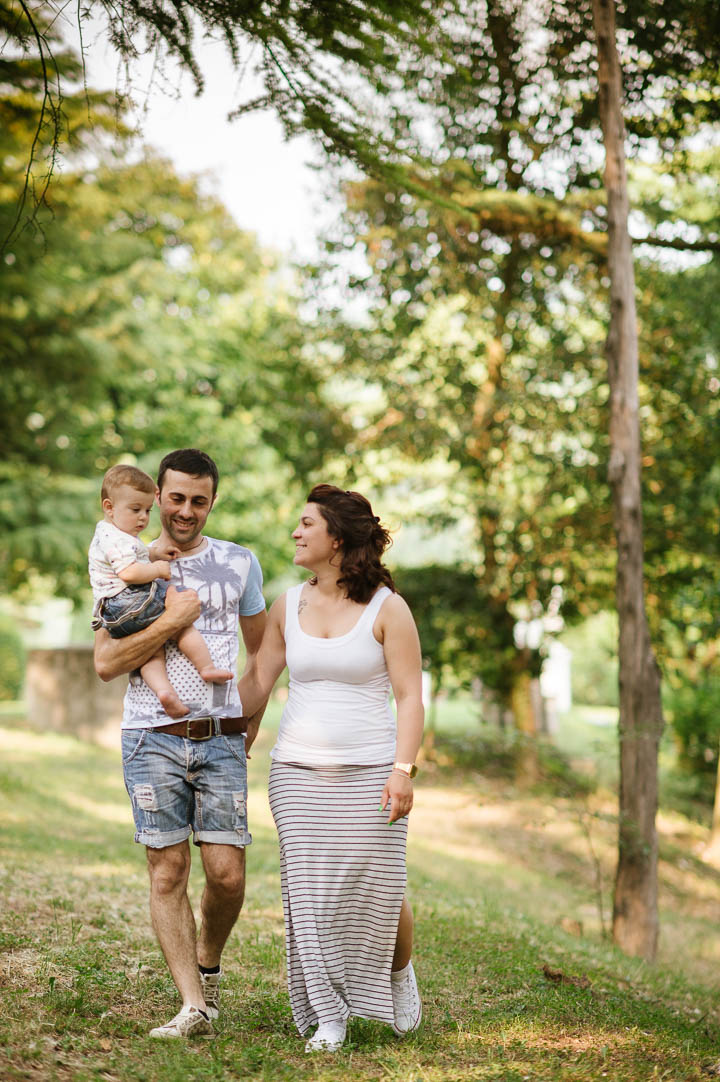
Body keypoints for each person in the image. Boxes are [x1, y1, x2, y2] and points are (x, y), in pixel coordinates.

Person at [237, 483, 424, 1052]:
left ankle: (396, 972)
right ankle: (330, 1014)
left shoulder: (388, 608)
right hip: (296, 771)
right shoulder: (286, 605)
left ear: (337, 539)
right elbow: (259, 681)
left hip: (370, 769)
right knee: (310, 896)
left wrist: (403, 770)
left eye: (306, 524)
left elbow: (410, 696)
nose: (295, 533)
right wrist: (208, 712)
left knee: (374, 888)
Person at [93, 449, 267, 1039]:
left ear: (212, 501)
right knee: (167, 873)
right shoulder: (122, 562)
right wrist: (171, 622)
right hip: (150, 737)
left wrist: (249, 717)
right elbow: (106, 663)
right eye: (175, 498)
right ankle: (193, 1004)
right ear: (157, 498)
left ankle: (208, 964)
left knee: (227, 874)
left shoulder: (241, 563)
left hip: (219, 736)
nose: (185, 511)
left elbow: (265, 654)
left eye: (199, 500)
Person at [89, 464, 233, 719]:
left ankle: (165, 692)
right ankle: (206, 666)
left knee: (151, 651)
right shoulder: (118, 538)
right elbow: (130, 573)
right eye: (135, 510)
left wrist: (152, 553)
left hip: (113, 613)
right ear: (109, 507)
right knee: (180, 614)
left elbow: (131, 556)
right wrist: (157, 568)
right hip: (128, 601)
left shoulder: (107, 534)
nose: (143, 517)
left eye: (147, 511)